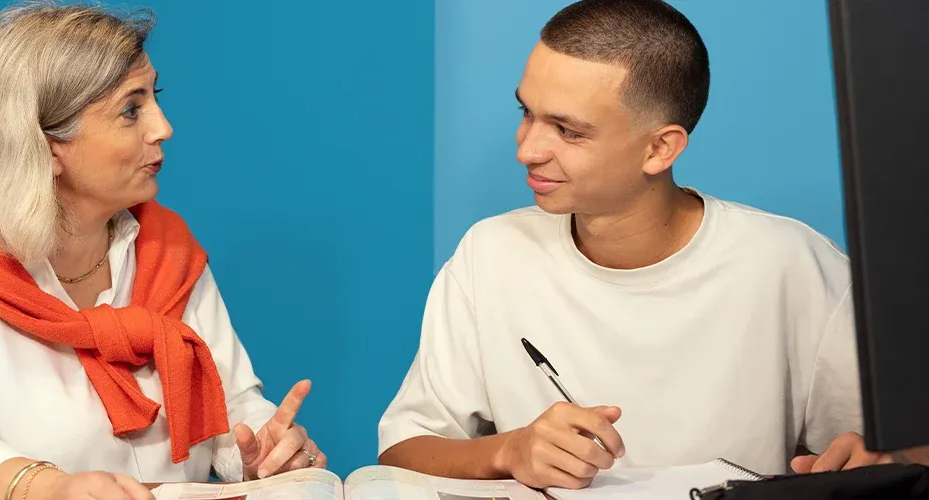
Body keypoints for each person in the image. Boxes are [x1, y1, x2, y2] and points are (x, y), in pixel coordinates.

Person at [377, 0, 892, 490]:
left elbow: (895, 452)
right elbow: (404, 449)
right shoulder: (490, 253)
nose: (527, 148)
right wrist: (509, 451)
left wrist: (883, 458)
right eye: (526, 112)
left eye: (569, 131)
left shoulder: (794, 264)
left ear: (660, 148)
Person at [0, 4, 325, 500]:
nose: (162, 127)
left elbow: (229, 407)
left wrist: (262, 452)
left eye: (154, 98)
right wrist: (49, 489)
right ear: (47, 145)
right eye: (131, 109)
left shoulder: (169, 251)